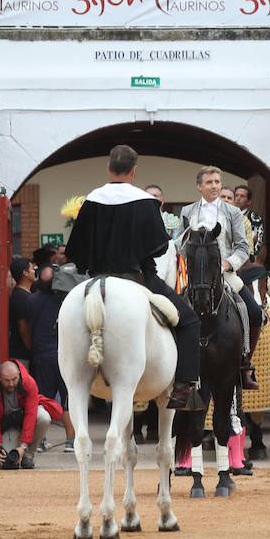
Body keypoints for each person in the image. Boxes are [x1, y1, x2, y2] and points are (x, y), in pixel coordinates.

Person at [64, 144, 200, 408]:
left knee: (64, 320)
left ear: (108, 169)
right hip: (139, 279)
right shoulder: (145, 202)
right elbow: (160, 246)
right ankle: (184, 386)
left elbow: (76, 250)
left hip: (97, 278)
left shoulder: (91, 200)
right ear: (134, 171)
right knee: (190, 321)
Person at [177, 167, 264, 389]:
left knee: (254, 313)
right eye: (209, 182)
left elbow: (243, 247)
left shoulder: (232, 212)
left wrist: (227, 263)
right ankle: (175, 368)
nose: (215, 186)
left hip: (225, 274)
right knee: (170, 313)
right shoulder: (187, 212)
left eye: (217, 182)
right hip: (193, 277)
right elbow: (179, 244)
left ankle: (244, 365)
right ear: (199, 186)